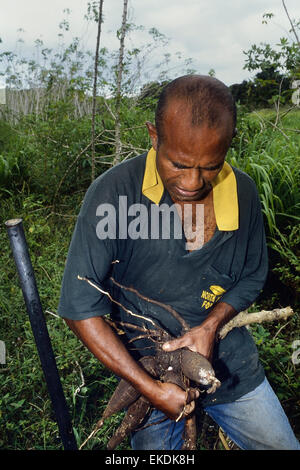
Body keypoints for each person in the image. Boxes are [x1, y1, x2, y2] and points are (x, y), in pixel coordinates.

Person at [58, 75, 300, 450]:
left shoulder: (244, 193)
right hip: (151, 371)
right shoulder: (114, 194)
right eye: (179, 164)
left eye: (210, 166)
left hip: (231, 367)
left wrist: (211, 325)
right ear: (154, 136)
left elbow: (252, 274)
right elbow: (79, 310)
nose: (193, 182)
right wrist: (149, 389)